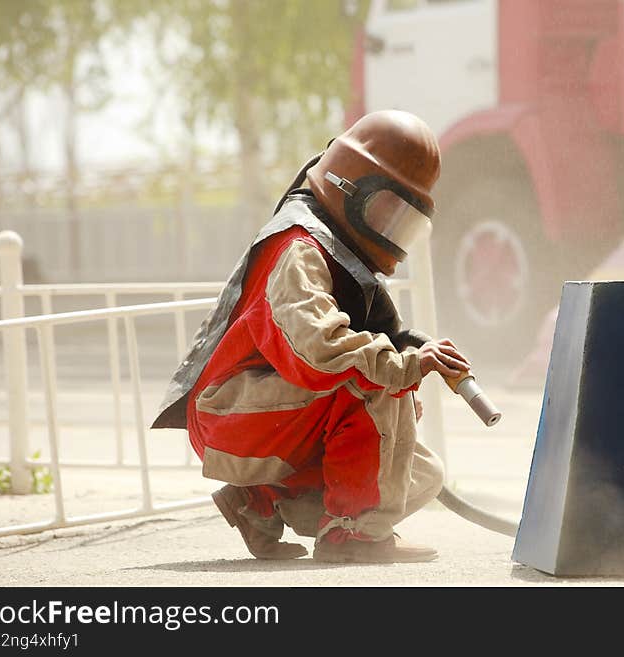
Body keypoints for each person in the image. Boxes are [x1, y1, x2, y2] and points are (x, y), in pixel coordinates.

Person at [151, 110, 471, 563]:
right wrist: (405, 366)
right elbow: (319, 350)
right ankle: (352, 533)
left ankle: (260, 501)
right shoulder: (299, 248)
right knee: (377, 382)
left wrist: (400, 373)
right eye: (384, 212)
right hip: (227, 413)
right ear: (348, 187)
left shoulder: (338, 251)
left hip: (269, 415)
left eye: (403, 221)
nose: (390, 231)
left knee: (418, 472)